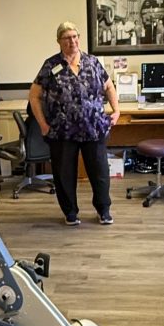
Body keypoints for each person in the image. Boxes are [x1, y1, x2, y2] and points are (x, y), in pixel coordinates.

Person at [30, 21, 120, 226]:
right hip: (62, 131)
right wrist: (43, 125)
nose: (72, 41)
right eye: (67, 38)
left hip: (94, 128)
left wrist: (117, 110)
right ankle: (70, 212)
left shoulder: (93, 62)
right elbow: (34, 96)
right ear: (59, 41)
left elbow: (109, 87)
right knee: (64, 174)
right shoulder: (50, 65)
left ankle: (103, 210)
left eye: (74, 36)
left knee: (99, 172)